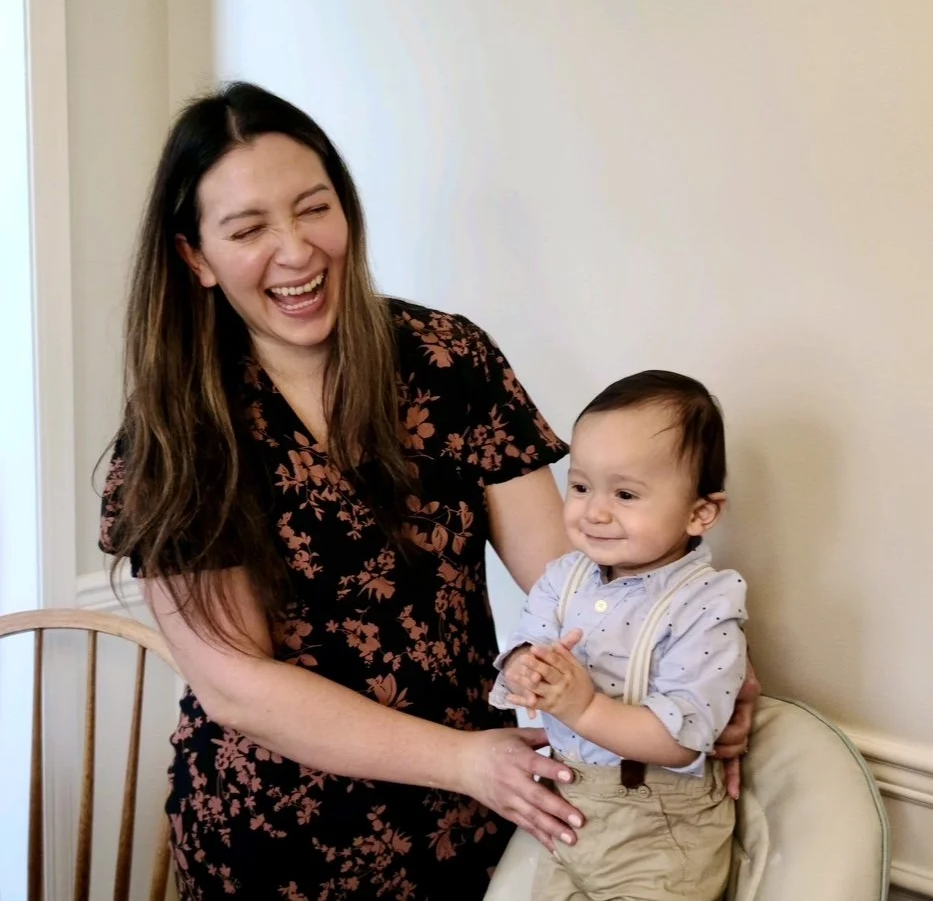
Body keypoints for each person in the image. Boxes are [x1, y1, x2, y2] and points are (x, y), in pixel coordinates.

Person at [97, 82, 757, 900]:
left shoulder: (448, 359)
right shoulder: (178, 435)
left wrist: (691, 658)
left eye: (314, 208)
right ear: (194, 256)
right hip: (279, 841)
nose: (297, 250)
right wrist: (462, 762)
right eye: (248, 229)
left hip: (466, 827)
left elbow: (566, 563)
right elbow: (238, 683)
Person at [492, 371, 747, 901]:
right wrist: (524, 667)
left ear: (701, 512)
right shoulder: (565, 577)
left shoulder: (706, 604)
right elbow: (528, 640)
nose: (595, 511)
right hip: (568, 800)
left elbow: (681, 741)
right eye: (581, 486)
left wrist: (583, 709)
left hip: (655, 825)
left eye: (626, 493)